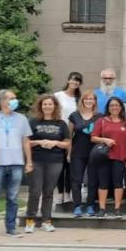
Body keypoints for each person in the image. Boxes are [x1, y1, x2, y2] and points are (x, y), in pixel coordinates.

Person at [0, 89, 33, 240]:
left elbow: (26, 141)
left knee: (13, 198)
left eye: (15, 97)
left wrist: (28, 161)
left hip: (16, 163)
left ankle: (11, 228)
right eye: (12, 98)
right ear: (2, 101)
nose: (15, 100)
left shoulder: (22, 118)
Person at [23, 95, 69, 233]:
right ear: (40, 106)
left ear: (54, 106)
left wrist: (55, 143)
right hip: (36, 160)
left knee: (48, 192)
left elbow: (67, 143)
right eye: (44, 104)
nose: (47, 106)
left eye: (50, 104)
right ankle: (30, 220)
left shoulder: (61, 123)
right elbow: (26, 142)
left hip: (55, 161)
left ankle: (46, 221)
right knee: (35, 192)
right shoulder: (33, 122)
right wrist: (39, 142)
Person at [90, 97, 126, 218]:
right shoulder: (101, 121)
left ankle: (117, 209)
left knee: (118, 183)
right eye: (111, 106)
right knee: (103, 183)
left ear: (121, 107)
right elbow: (93, 137)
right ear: (108, 108)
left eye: (116, 105)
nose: (114, 108)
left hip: (120, 157)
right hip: (103, 156)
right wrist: (104, 139)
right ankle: (102, 208)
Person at [68, 90, 102, 217]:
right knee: (76, 180)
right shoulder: (74, 116)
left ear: (95, 101)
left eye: (91, 99)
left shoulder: (99, 117)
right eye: (86, 99)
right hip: (77, 152)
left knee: (93, 180)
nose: (89, 101)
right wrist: (68, 153)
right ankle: (77, 206)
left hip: (94, 153)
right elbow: (69, 136)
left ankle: (90, 205)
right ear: (82, 100)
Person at [53, 71, 83, 205]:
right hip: (60, 133)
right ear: (68, 80)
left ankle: (68, 192)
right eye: (73, 79)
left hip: (74, 135)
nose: (75, 82)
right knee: (60, 165)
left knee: (71, 164)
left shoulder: (79, 98)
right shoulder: (58, 96)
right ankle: (59, 193)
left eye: (78, 81)